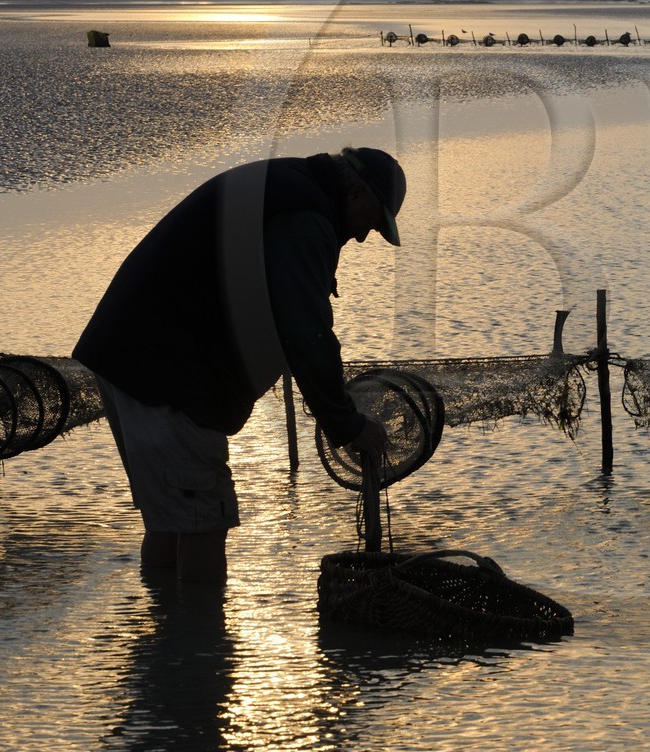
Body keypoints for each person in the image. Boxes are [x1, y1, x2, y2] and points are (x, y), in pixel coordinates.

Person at [74, 147, 406, 583]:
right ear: (357, 193)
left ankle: (166, 637)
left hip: (124, 355)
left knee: (172, 518)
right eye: (374, 222)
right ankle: (200, 643)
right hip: (169, 379)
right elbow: (306, 333)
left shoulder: (291, 183)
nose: (365, 236)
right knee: (203, 520)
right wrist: (347, 425)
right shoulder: (305, 217)